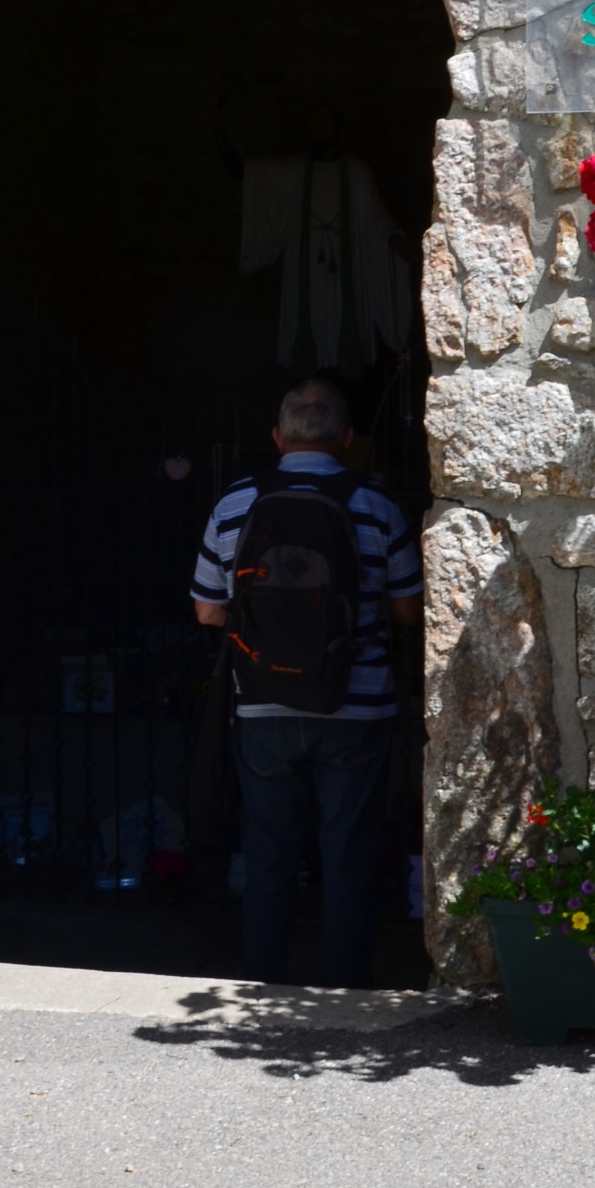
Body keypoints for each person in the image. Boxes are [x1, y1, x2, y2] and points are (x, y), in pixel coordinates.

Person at [192, 375, 422, 988]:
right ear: (347, 439)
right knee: (348, 855)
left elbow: (208, 611)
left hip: (263, 704)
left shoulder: (235, 503)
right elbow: (407, 610)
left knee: (268, 854)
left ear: (277, 437)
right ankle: (345, 988)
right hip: (356, 706)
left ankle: (264, 981)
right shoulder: (377, 505)